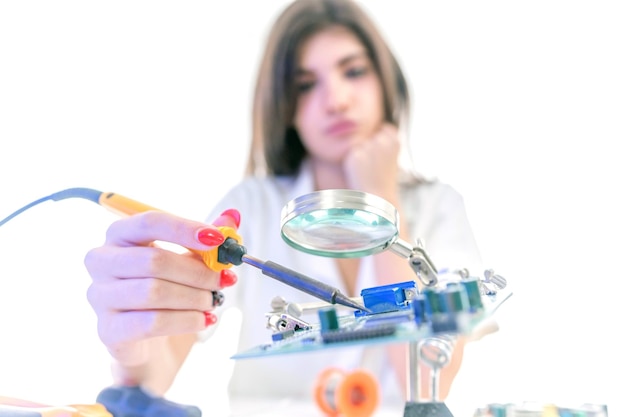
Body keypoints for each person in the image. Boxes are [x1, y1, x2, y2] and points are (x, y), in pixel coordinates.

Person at [83, 0, 485, 410]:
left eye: (355, 71)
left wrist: (380, 195)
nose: (337, 100)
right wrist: (130, 343)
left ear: (386, 81)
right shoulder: (251, 207)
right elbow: (156, 374)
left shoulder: (439, 208)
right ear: (285, 109)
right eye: (305, 85)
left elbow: (428, 376)